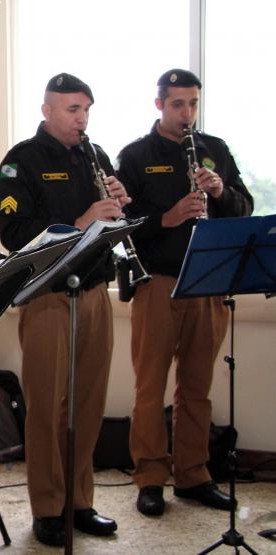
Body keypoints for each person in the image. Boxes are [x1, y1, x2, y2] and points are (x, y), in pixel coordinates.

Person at [117, 68, 253, 517]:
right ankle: (150, 477)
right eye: (178, 104)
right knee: (150, 386)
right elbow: (121, 224)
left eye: (193, 103)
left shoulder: (214, 150)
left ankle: (194, 475)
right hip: (158, 282)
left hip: (208, 283)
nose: (187, 113)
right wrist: (168, 218)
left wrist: (221, 192)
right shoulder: (135, 156)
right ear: (159, 104)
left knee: (197, 386)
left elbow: (244, 207)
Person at [0, 73, 124, 546]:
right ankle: (48, 508)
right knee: (47, 408)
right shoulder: (21, 163)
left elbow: (109, 227)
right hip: (47, 298)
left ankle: (80, 501)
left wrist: (118, 208)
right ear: (47, 110)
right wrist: (82, 221)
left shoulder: (95, 156)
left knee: (88, 403)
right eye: (72, 110)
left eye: (86, 110)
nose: (81, 119)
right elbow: (15, 234)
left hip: (94, 292)